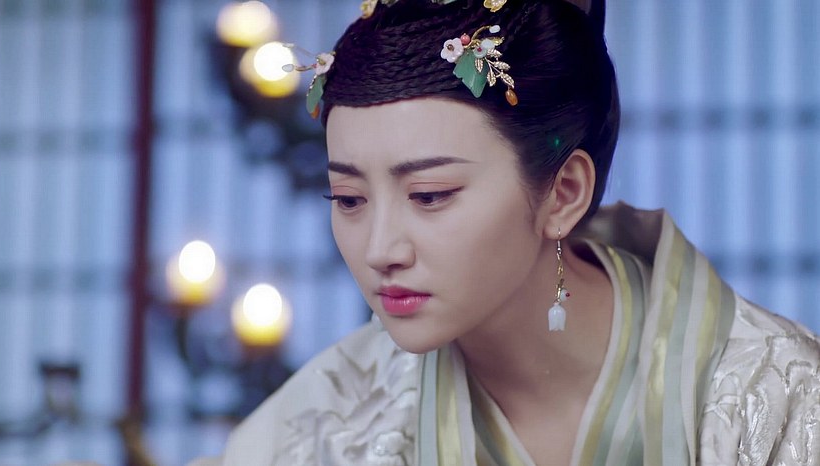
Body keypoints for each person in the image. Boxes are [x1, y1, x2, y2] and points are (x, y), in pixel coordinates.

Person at [193, 0, 820, 464]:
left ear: (563, 192)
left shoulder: (775, 392)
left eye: (429, 195)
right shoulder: (328, 420)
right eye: (349, 199)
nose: (381, 250)